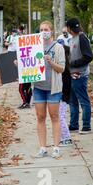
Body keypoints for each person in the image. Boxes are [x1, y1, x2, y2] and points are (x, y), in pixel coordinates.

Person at [32, 21, 66, 158]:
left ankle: (56, 147)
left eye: (46, 29)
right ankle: (42, 148)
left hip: (53, 88)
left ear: (51, 31)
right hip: (38, 87)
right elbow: (28, 66)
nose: (44, 31)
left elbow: (62, 69)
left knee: (54, 116)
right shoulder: (34, 47)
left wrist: (50, 61)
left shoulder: (58, 47)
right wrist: (20, 64)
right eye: (41, 29)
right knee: (40, 117)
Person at [66, 18, 93, 134]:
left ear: (68, 28)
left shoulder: (82, 38)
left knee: (83, 100)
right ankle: (74, 124)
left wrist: (73, 63)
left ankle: (86, 125)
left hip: (80, 74)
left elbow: (88, 56)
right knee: (72, 101)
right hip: (71, 74)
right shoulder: (71, 39)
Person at [57, 38, 73, 146]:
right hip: (63, 96)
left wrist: (63, 97)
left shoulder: (65, 71)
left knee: (60, 116)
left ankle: (66, 137)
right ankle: (63, 136)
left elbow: (66, 86)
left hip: (63, 96)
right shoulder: (66, 69)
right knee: (59, 115)